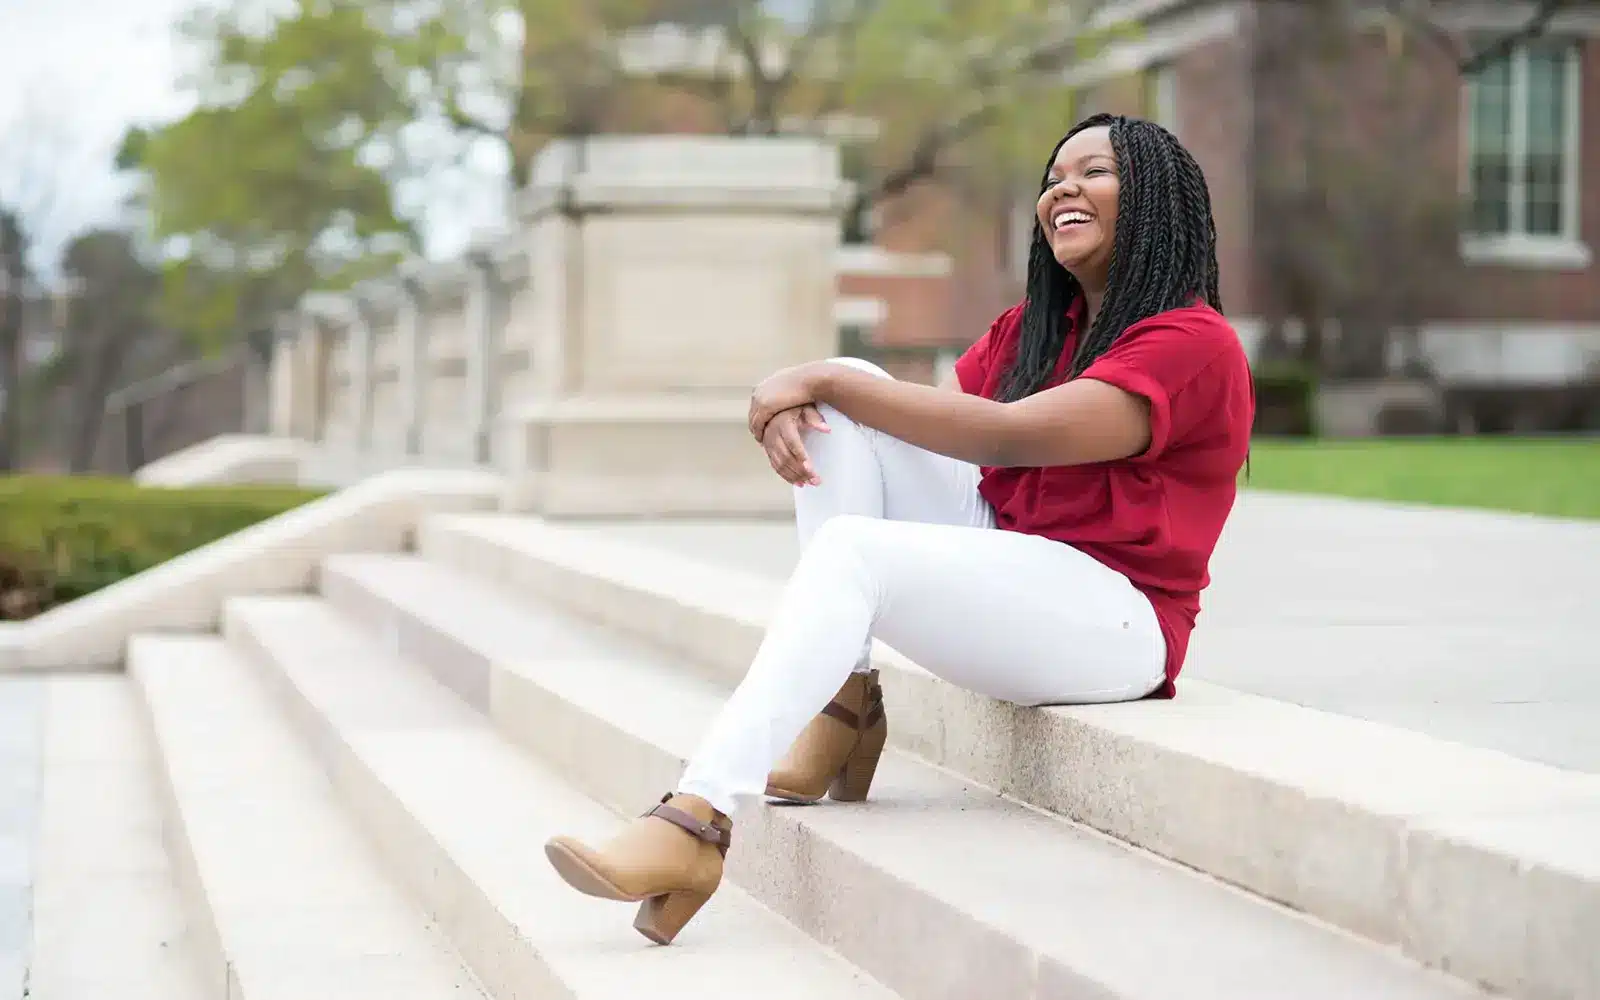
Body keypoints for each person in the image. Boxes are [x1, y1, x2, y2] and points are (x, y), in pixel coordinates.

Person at [542, 113, 1256, 945]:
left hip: (1117, 620)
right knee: (848, 394)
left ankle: (695, 821)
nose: (1063, 188)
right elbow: (921, 421)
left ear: (1157, 202)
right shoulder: (1035, 328)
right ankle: (845, 707)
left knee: (849, 491)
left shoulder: (1192, 343)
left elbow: (1004, 435)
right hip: (1018, 566)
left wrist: (805, 377)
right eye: (1054, 176)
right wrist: (815, 394)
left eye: (1095, 173)